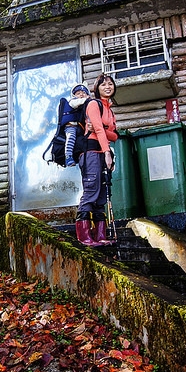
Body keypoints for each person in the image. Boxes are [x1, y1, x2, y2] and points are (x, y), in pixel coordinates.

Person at [74, 74, 118, 247]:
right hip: (91, 151)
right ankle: (84, 237)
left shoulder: (110, 110)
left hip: (102, 151)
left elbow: (114, 135)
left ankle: (100, 235)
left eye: (110, 84)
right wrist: (107, 152)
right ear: (97, 88)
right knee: (91, 191)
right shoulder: (94, 104)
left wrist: (102, 129)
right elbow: (98, 130)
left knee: (101, 195)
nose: (108, 87)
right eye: (103, 84)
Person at [63, 84, 91, 167]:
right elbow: (76, 103)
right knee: (71, 137)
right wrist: (86, 99)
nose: (81, 95)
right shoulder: (73, 101)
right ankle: (68, 156)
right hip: (70, 126)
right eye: (78, 93)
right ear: (74, 95)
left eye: (83, 93)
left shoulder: (86, 106)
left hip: (80, 128)